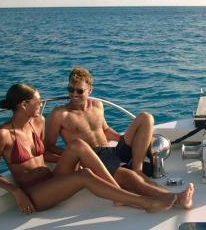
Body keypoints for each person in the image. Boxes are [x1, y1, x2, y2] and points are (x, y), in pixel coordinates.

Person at [0, 84, 177, 215]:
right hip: (33, 192)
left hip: (51, 179)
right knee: (84, 175)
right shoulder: (1, 135)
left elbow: (43, 152)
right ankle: (144, 202)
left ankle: (117, 193)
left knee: (77, 145)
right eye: (37, 102)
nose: (41, 104)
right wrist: (16, 192)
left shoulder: (38, 121)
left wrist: (73, 158)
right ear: (23, 105)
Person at [45, 67, 194, 209]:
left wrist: (133, 140)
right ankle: (175, 198)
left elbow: (105, 130)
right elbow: (49, 145)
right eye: (70, 89)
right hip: (95, 158)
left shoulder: (97, 105)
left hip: (111, 150)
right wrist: (74, 157)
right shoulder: (60, 114)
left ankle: (137, 169)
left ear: (90, 90)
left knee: (146, 118)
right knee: (131, 179)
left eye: (79, 90)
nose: (74, 94)